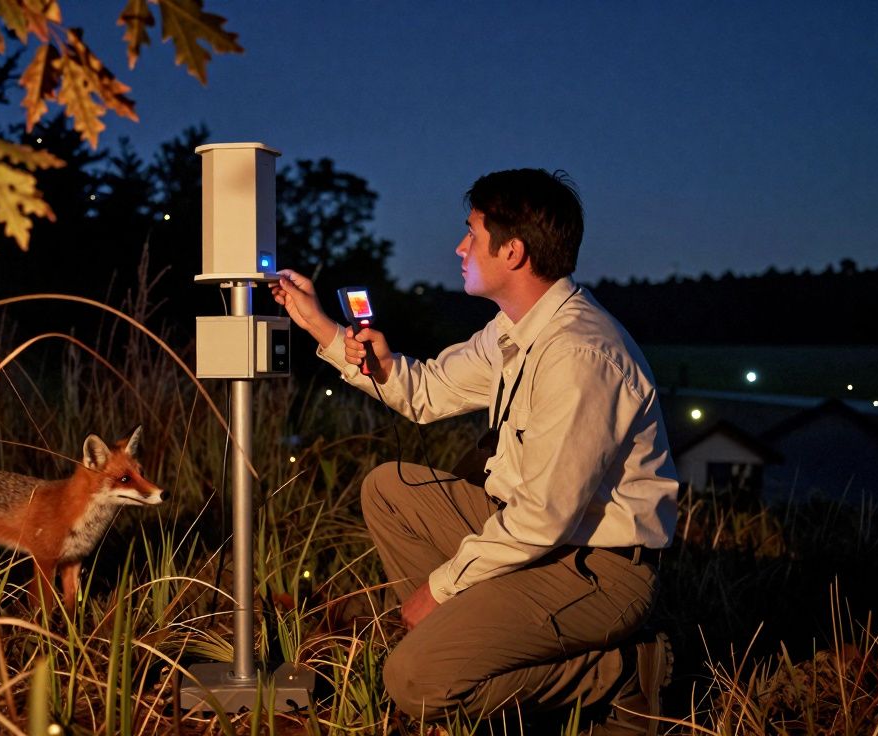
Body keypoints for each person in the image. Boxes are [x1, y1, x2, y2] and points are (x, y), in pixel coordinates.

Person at [269, 168, 679, 734]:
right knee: (390, 490)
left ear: (512, 251)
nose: (460, 247)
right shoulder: (516, 328)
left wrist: (437, 591)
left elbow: (542, 519)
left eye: (472, 233)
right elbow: (429, 390)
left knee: (413, 682)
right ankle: (463, 639)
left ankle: (620, 671)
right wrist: (322, 327)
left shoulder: (579, 356)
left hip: (596, 571)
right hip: (544, 541)